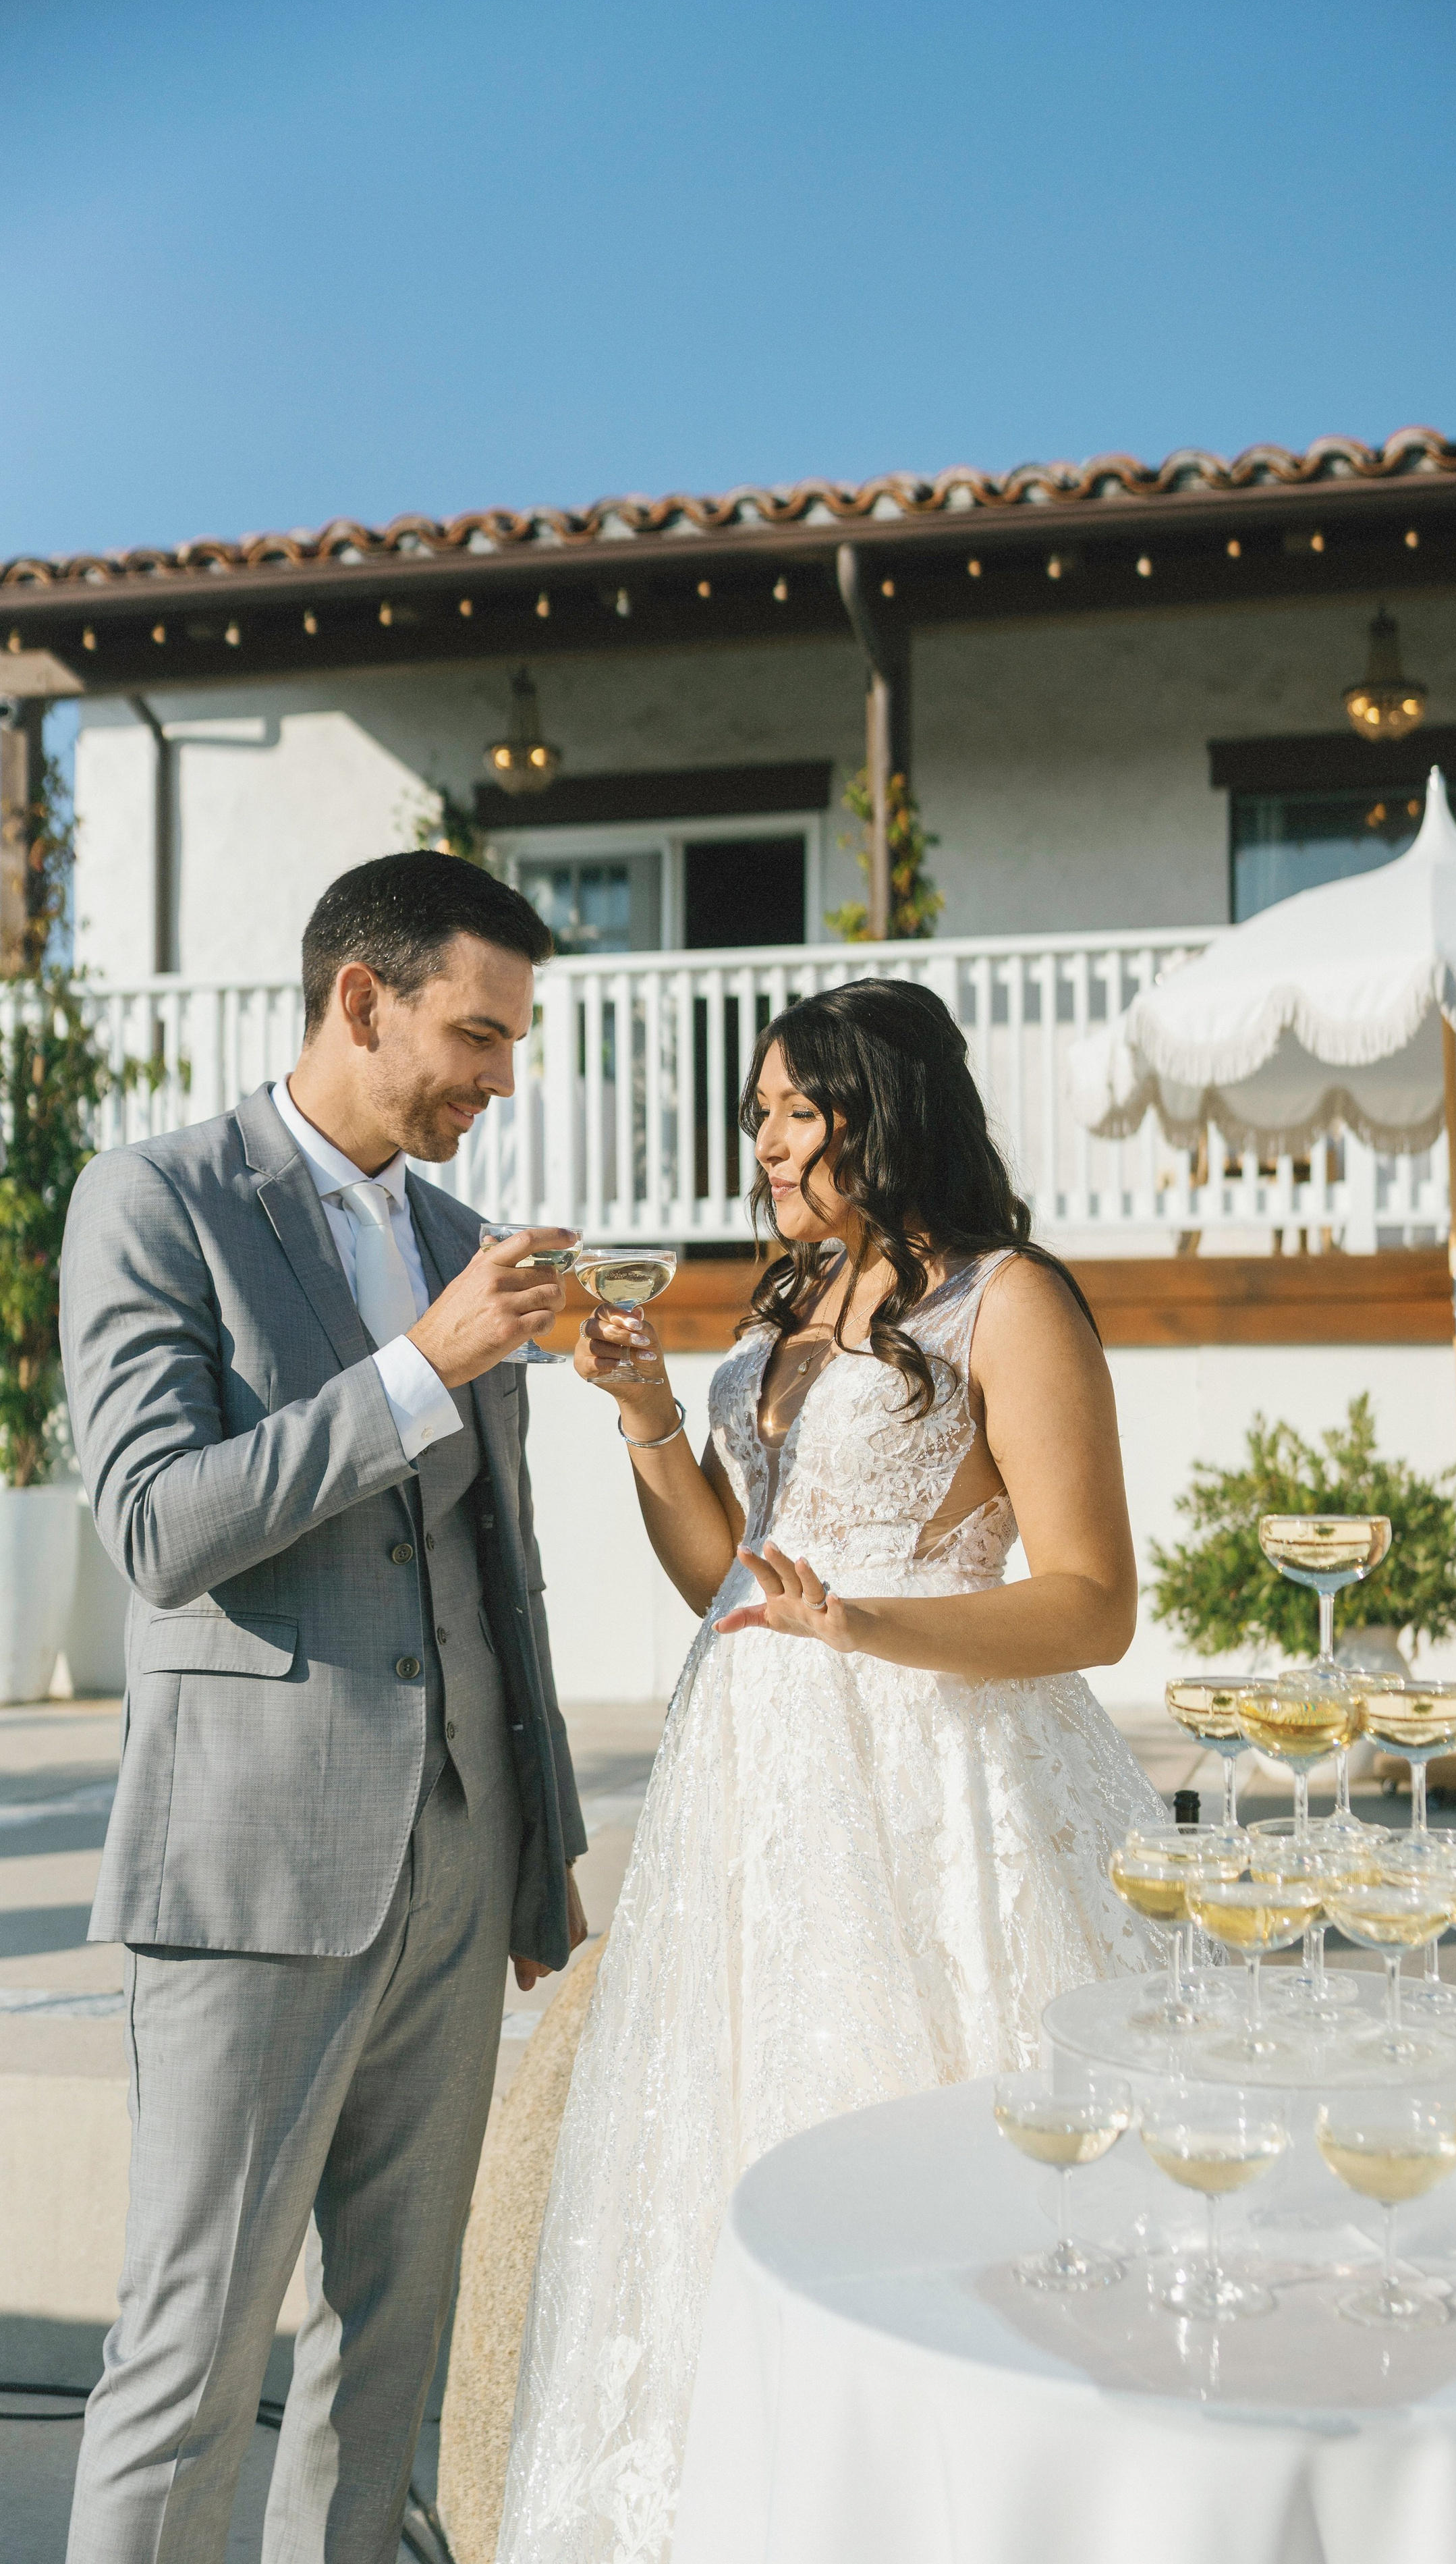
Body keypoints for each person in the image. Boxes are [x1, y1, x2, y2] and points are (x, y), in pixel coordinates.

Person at [497, 977, 1167, 2564]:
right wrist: (655, 1416)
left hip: (940, 1788)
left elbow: (1093, 1600)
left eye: (803, 1109)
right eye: (761, 1114)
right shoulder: (782, 1306)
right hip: (750, 1796)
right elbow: (726, 1578)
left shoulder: (1008, 1301)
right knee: (730, 2155)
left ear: (891, 1108)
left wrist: (865, 1621)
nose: (772, 1143)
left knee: (927, 2163)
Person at [60, 850, 589, 2564]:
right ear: (361, 1000)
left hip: (456, 1872)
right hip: (253, 1870)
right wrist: (420, 1365)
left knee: (392, 2355)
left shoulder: (458, 1241)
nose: (501, 1074)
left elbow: (501, 1573)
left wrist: (538, 1847)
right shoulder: (154, 1201)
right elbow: (159, 1527)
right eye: (476, 1032)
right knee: (191, 2355)